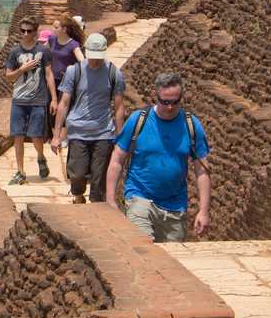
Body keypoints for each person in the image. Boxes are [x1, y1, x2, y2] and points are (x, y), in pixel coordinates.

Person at [105, 72, 211, 243]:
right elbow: (117, 159)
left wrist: (204, 211)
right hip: (140, 197)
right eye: (165, 102)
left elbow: (202, 171)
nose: (170, 107)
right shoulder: (138, 121)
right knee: (143, 249)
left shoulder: (191, 125)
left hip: (175, 207)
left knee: (171, 261)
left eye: (175, 102)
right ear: (155, 96)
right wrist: (110, 199)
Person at [50, 33, 126, 204]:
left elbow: (119, 106)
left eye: (98, 57)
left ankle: (95, 211)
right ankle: (78, 197)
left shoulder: (113, 73)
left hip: (103, 132)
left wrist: (121, 137)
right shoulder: (74, 71)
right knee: (77, 174)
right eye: (92, 57)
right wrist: (56, 136)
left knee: (99, 179)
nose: (95, 61)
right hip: (77, 131)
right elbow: (64, 103)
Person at [5, 16, 58, 185]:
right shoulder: (15, 52)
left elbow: (49, 74)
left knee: (36, 136)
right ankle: (20, 172)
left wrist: (54, 99)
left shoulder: (43, 51)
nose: (25, 34)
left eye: (29, 31)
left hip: (38, 99)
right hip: (19, 99)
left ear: (35, 32)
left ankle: (41, 158)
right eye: (22, 31)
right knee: (18, 136)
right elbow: (8, 76)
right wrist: (22, 69)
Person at [46, 15, 86, 96]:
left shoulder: (73, 44)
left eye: (56, 27)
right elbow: (41, 51)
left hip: (67, 82)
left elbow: (83, 62)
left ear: (64, 29)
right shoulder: (52, 40)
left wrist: (74, 73)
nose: (53, 30)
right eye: (53, 27)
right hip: (52, 80)